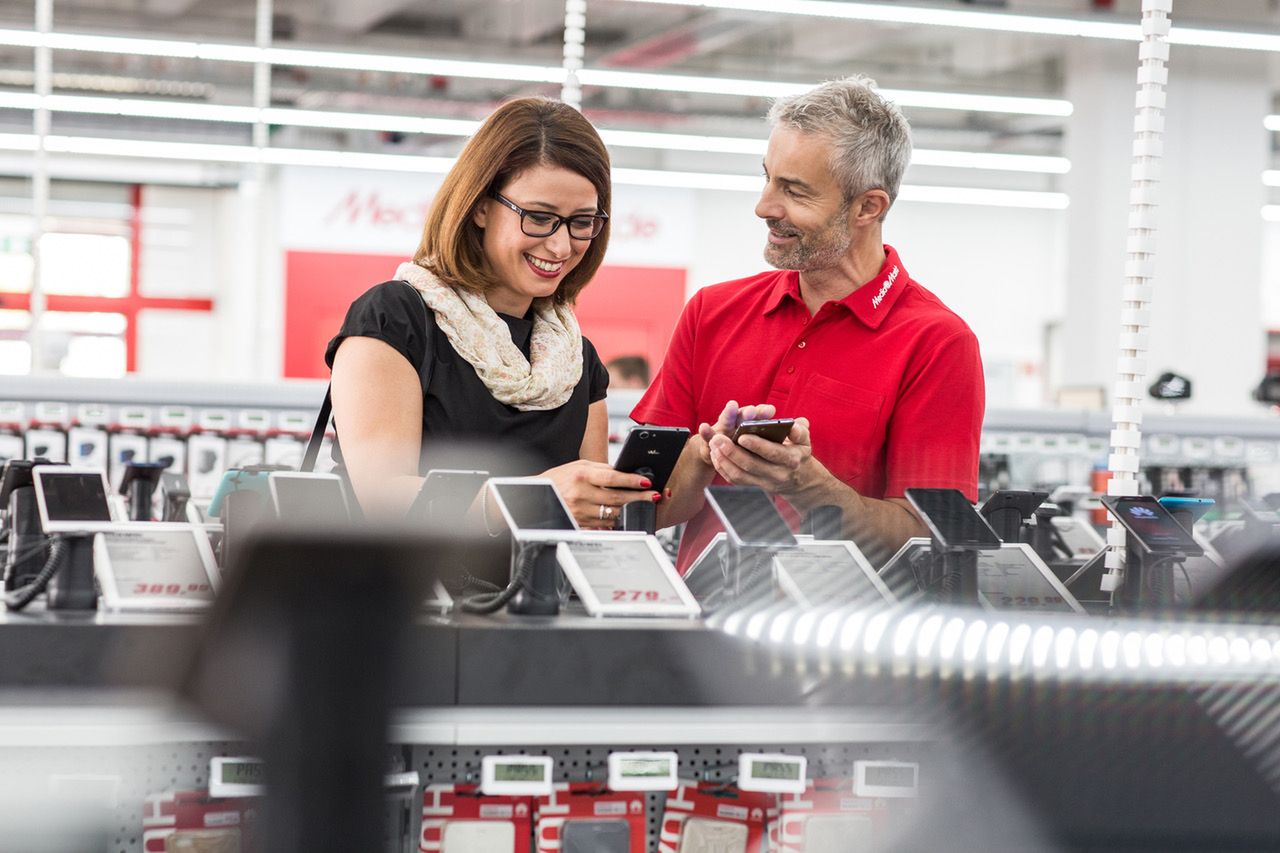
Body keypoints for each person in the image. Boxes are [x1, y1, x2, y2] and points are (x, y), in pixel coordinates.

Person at [633, 76, 985, 570]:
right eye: (768, 178)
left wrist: (808, 486)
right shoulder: (711, 312)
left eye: (794, 191)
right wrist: (701, 453)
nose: (764, 207)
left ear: (868, 207)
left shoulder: (937, 342)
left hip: (838, 637)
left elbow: (928, 538)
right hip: (701, 624)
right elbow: (642, 506)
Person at [326, 97, 658, 530]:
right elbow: (384, 499)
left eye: (581, 222)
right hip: (407, 593)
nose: (560, 247)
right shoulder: (397, 320)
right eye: (539, 218)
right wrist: (535, 500)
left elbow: (590, 518)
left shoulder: (575, 359)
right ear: (480, 206)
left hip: (538, 595)